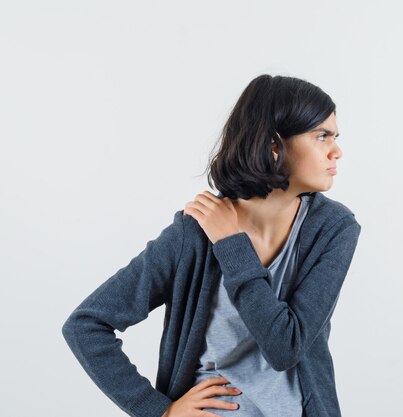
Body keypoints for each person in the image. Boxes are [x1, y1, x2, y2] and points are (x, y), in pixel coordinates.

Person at [62, 74, 362, 417]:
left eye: (335, 136)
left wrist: (233, 245)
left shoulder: (333, 229)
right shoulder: (194, 233)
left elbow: (285, 347)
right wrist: (158, 410)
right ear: (275, 145)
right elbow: (86, 324)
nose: (337, 150)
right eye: (321, 136)